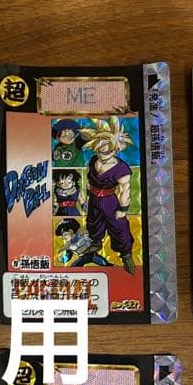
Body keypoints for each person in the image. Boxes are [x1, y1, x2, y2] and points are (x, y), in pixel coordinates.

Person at [80, 117, 136, 274]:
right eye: (99, 146)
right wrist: (86, 197)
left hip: (109, 201)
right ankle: (96, 243)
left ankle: (126, 255)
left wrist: (123, 209)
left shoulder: (121, 168)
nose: (102, 150)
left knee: (119, 227)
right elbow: (88, 180)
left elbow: (125, 190)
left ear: (115, 148)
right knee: (93, 223)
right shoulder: (93, 161)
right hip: (94, 199)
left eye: (106, 147)